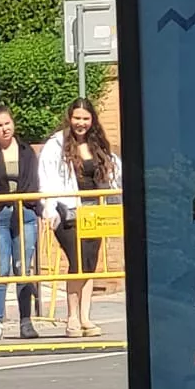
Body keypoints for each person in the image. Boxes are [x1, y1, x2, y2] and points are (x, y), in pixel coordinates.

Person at [38, 98, 121, 337]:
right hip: (67, 210)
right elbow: (47, 176)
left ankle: (86, 317)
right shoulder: (57, 144)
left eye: (85, 118)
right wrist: (49, 207)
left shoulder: (99, 145)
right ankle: (71, 317)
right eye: (77, 118)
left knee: (90, 264)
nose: (81, 123)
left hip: (96, 212)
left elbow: (114, 172)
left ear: (92, 120)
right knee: (77, 262)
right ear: (69, 118)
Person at [0, 104, 41, 340]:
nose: (5, 129)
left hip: (25, 212)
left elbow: (35, 180)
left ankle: (26, 321)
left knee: (23, 267)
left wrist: (33, 205)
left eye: (7, 123)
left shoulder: (27, 151)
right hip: (0, 214)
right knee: (1, 267)